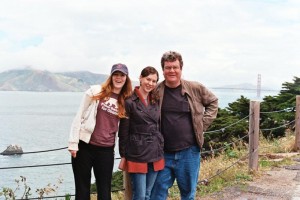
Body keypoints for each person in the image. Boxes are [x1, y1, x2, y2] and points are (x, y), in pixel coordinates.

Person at [150, 51, 218, 200]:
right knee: (157, 194)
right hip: (163, 153)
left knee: (188, 194)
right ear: (163, 70)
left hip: (189, 152)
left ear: (181, 68)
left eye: (175, 67)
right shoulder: (156, 91)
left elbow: (213, 102)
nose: (172, 71)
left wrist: (202, 125)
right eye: (168, 67)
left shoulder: (195, 88)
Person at [68, 63, 132, 200]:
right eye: (116, 74)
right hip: (84, 146)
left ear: (126, 78)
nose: (119, 78)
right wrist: (73, 143)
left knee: (104, 192)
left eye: (122, 75)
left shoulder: (126, 100)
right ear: (111, 76)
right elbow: (79, 115)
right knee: (82, 190)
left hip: (106, 150)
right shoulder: (95, 91)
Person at [118, 66, 165, 200]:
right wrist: (123, 154)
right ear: (140, 78)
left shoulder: (156, 100)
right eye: (148, 79)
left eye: (154, 81)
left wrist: (161, 142)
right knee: (139, 195)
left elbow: (159, 125)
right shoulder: (129, 102)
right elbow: (123, 131)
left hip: (155, 150)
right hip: (137, 152)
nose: (150, 83)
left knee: (147, 194)